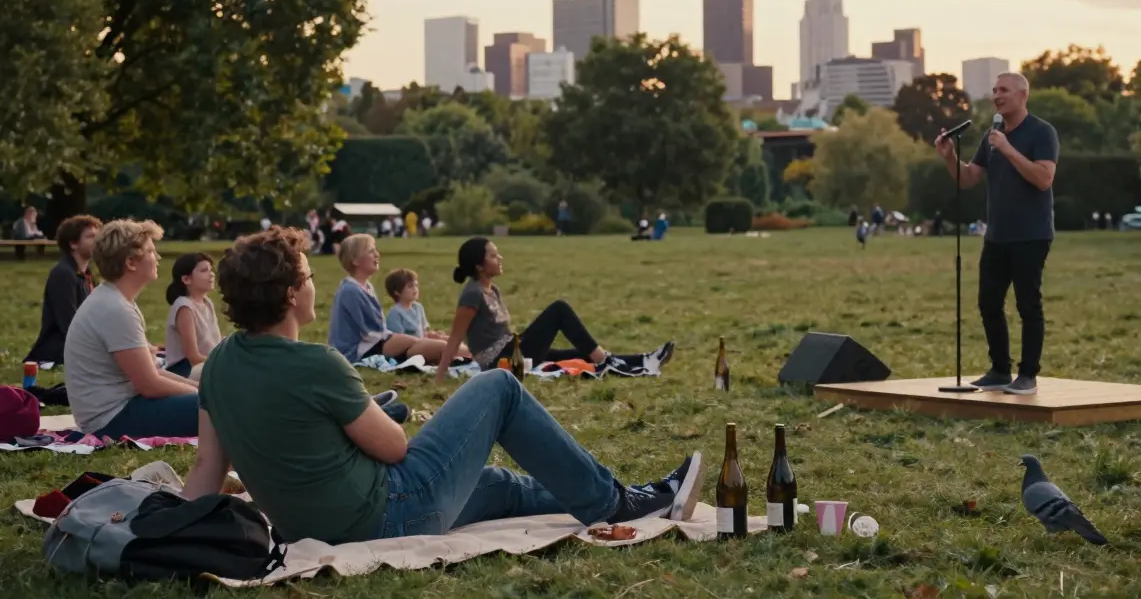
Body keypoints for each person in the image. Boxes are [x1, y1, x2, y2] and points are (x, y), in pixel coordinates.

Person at [180, 227, 705, 545]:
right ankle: (615, 506)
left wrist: (180, 530)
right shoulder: (318, 364)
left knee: (499, 484)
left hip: (310, 525)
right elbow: (394, 448)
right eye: (308, 275)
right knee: (498, 390)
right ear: (294, 294)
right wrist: (376, 412)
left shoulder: (219, 366)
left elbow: (208, 466)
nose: (315, 283)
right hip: (388, 516)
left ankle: (630, 496)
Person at [935, 71, 1059, 396]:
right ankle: (1000, 369)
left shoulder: (1041, 133)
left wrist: (1007, 150)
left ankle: (1028, 375)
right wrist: (950, 158)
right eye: (994, 90)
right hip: (997, 235)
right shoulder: (992, 135)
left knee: (1028, 304)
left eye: (1003, 90)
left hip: (1031, 234)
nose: (996, 95)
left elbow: (1044, 178)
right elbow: (968, 179)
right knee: (988, 302)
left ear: (1022, 95)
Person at [437, 238, 674, 383]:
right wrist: (440, 377)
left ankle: (644, 360)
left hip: (513, 351)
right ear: (479, 265)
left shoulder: (493, 290)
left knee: (580, 354)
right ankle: (607, 362)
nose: (500, 258)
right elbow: (456, 337)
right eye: (493, 255)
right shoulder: (472, 294)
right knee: (559, 310)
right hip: (499, 364)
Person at [63, 220, 198, 438]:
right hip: (110, 420)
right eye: (151, 252)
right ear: (131, 262)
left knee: (214, 400)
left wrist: (201, 389)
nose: (158, 257)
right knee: (220, 408)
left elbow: (152, 374)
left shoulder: (115, 300)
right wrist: (204, 396)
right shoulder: (115, 309)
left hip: (120, 408)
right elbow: (150, 385)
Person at [328, 234, 469, 365]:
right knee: (430, 344)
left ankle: (464, 356)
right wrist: (410, 339)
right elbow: (373, 332)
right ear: (355, 260)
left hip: (374, 343)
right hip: (357, 351)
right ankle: (473, 355)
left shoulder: (364, 286)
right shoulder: (350, 290)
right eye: (371, 251)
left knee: (426, 344)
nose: (377, 255)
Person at [24, 215, 101, 369]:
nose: (98, 241)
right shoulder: (63, 273)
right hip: (58, 349)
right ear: (73, 243)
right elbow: (69, 323)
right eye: (91, 236)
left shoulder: (87, 274)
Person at [163, 252, 222, 380]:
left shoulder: (207, 303)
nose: (211, 274)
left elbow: (211, 342)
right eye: (204, 270)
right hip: (185, 370)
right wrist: (223, 363)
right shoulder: (184, 307)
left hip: (206, 363)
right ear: (186, 279)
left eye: (211, 270)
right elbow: (193, 357)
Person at [384, 268, 446, 339]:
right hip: (408, 348)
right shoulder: (395, 313)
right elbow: (399, 340)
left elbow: (424, 332)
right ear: (397, 292)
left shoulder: (418, 307)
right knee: (443, 346)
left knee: (450, 341)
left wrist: (433, 334)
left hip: (422, 344)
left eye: (416, 285)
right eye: (410, 286)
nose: (415, 289)